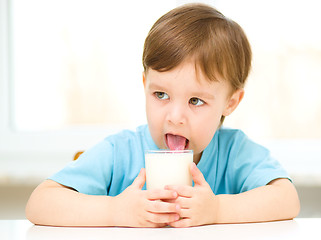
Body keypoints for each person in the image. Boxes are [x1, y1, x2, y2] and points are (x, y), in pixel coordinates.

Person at [25, 3, 300, 228]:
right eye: (161, 95)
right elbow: (39, 203)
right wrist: (115, 210)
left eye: (195, 100)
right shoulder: (119, 152)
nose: (175, 116)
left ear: (230, 102)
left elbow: (288, 199)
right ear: (145, 84)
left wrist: (217, 209)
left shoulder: (235, 152)